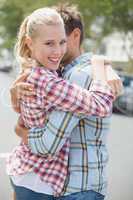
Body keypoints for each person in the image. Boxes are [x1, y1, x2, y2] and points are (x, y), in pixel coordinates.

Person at [9, 4, 122, 200]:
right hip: (54, 184)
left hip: (61, 183)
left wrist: (101, 62)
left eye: (62, 41)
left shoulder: (68, 74)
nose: (58, 50)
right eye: (49, 43)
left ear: (74, 35)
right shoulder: (54, 76)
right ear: (30, 42)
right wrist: (99, 62)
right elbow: (46, 145)